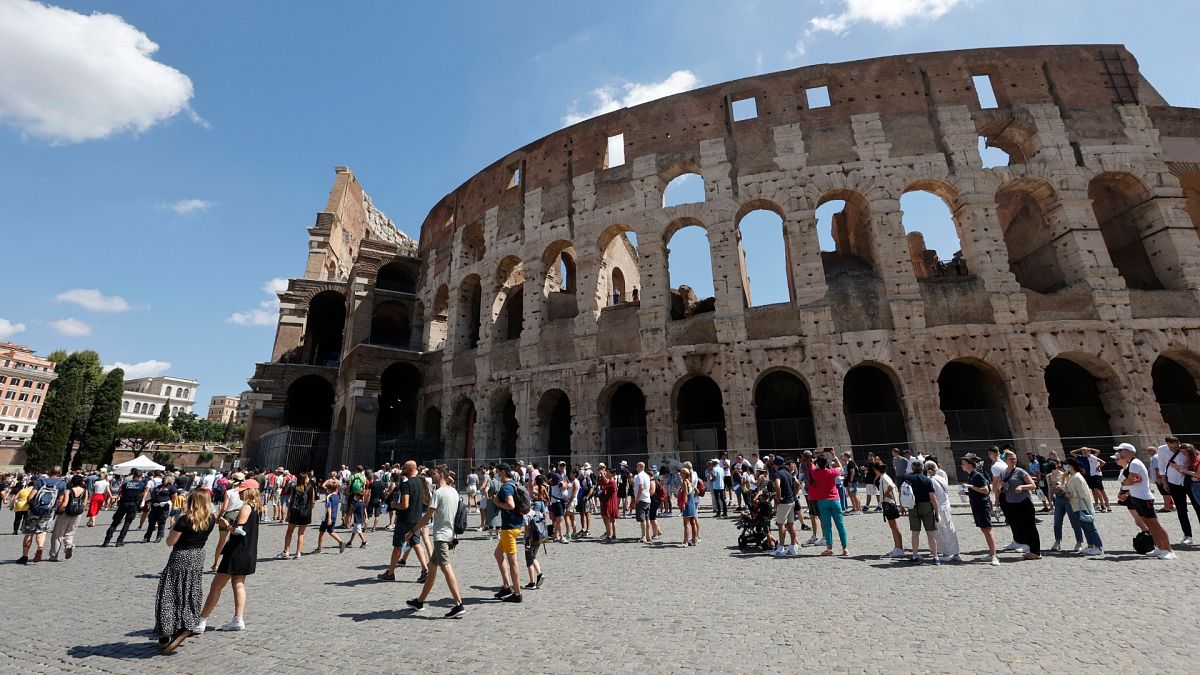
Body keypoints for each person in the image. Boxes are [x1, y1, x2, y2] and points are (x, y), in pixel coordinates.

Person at [194, 480, 262, 633]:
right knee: (238, 584)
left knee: (216, 586)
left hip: (236, 551)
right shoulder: (257, 507)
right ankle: (238, 619)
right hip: (248, 550)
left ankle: (202, 620)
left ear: (249, 491)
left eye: (243, 490)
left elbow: (239, 531)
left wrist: (226, 525)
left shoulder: (246, 506)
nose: (241, 493)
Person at [155, 489, 217, 654]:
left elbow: (170, 542)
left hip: (181, 555)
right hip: (198, 555)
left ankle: (166, 630)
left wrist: (175, 525)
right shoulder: (211, 518)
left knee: (170, 591)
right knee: (190, 589)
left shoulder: (185, 520)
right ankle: (186, 623)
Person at [405, 466, 466, 618]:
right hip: (449, 533)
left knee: (446, 568)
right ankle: (420, 601)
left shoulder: (438, 493)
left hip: (441, 536)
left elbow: (428, 517)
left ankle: (458, 604)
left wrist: (413, 530)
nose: (432, 476)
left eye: (434, 474)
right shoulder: (454, 491)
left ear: (441, 475)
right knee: (432, 568)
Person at [1115, 443, 1175, 559]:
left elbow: (1131, 481)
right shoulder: (1131, 464)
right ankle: (1160, 548)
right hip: (1137, 496)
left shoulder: (1135, 463)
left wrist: (1126, 482)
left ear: (1129, 452)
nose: (1120, 453)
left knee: (1155, 524)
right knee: (1149, 525)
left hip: (1144, 497)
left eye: (1121, 450)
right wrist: (1127, 481)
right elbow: (1130, 481)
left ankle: (1169, 550)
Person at [1156, 436, 1198, 546]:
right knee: (1181, 510)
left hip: (1188, 481)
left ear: (1178, 443)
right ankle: (1187, 536)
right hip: (1173, 482)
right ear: (1167, 445)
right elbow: (1161, 466)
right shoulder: (1161, 449)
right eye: (1171, 448)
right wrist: (1164, 482)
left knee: (1198, 507)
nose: (1174, 450)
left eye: (1176, 447)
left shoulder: (1185, 449)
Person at [19, 468, 67, 564]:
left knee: (29, 533)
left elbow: (30, 497)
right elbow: (60, 500)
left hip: (34, 511)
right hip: (48, 512)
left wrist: (32, 503)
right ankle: (40, 548)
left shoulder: (41, 481)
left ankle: (24, 556)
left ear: (50, 472)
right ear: (59, 474)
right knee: (41, 531)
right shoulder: (62, 484)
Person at [1000, 450, 1041, 560]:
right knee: (1020, 527)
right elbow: (1001, 487)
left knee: (1030, 527)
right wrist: (1004, 485)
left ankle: (1036, 552)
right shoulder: (1003, 473)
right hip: (1011, 503)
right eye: (1011, 459)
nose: (1013, 460)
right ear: (1006, 460)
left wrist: (1022, 487)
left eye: (1015, 458)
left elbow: (1033, 486)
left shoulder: (1020, 472)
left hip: (1024, 502)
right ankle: (1029, 549)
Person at [492, 463, 525, 602]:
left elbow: (511, 505)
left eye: (499, 472)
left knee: (513, 562)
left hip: (509, 529)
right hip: (516, 525)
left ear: (504, 472)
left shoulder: (505, 487)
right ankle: (506, 586)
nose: (497, 474)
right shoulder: (514, 484)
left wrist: (497, 503)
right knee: (498, 554)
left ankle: (517, 594)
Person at [960, 454, 999, 565]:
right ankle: (991, 553)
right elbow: (977, 490)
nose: (962, 466)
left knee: (987, 530)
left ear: (969, 464)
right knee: (984, 530)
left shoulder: (977, 475)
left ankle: (994, 556)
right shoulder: (971, 475)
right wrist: (966, 492)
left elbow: (986, 490)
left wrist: (971, 487)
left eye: (963, 464)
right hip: (976, 505)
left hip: (982, 506)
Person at [808, 452, 848, 556]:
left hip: (822, 501)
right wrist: (834, 455)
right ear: (826, 464)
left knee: (827, 526)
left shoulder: (815, 472)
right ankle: (845, 549)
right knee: (840, 525)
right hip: (835, 500)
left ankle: (829, 548)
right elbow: (840, 467)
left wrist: (816, 455)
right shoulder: (832, 472)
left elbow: (811, 463)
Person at [1063, 458, 1103, 555]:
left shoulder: (1077, 477)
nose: (1064, 467)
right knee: (1084, 527)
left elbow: (1082, 493)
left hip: (1082, 505)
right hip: (1076, 505)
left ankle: (1098, 547)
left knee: (1090, 527)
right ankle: (1090, 545)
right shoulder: (1072, 477)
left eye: (1066, 465)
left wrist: (1071, 495)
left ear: (1071, 466)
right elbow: (1065, 489)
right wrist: (1062, 479)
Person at [902, 461, 940, 564]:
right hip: (926, 506)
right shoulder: (927, 479)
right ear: (923, 468)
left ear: (913, 468)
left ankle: (914, 556)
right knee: (930, 533)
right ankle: (935, 557)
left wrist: (902, 505)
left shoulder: (907, 477)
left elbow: (903, 492)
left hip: (913, 506)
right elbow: (933, 497)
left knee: (915, 533)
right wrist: (937, 512)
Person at [104, 468, 148, 547]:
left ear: (133, 476)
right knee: (127, 523)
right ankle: (119, 541)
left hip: (123, 504)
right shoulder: (142, 485)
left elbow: (121, 494)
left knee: (115, 522)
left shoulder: (126, 484)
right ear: (140, 476)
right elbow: (142, 495)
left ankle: (106, 541)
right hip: (133, 505)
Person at [926, 460, 961, 562]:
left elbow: (934, 497)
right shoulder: (941, 478)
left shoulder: (931, 480)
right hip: (946, 506)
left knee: (943, 531)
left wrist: (936, 512)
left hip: (940, 508)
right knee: (950, 530)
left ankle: (946, 553)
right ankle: (955, 552)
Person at [48, 474, 87, 562]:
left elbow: (64, 504)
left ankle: (53, 556)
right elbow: (84, 504)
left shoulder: (68, 491)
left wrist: (58, 511)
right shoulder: (85, 491)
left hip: (65, 514)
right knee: (70, 533)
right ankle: (69, 545)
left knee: (57, 535)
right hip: (77, 515)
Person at [1047, 458, 1081, 553]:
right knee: (1057, 522)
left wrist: (1061, 485)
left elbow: (1069, 487)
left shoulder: (1065, 474)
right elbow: (1050, 490)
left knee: (1074, 521)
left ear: (1058, 465)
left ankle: (1079, 542)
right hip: (1057, 499)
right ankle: (1057, 541)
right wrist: (1050, 502)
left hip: (1067, 498)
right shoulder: (1048, 476)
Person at [873, 463, 905, 557]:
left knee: (894, 527)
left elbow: (891, 486)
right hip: (887, 503)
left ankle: (899, 548)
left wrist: (887, 493)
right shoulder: (883, 476)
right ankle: (897, 547)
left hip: (889, 503)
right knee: (893, 527)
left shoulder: (884, 477)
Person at [280, 472, 315, 559]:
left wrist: (288, 514)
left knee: (289, 532)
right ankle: (298, 553)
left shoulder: (295, 488)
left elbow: (291, 502)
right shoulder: (311, 488)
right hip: (306, 513)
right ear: (305, 479)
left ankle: (286, 551)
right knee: (301, 533)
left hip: (295, 512)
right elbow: (313, 502)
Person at [314, 478, 345, 553]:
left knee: (321, 532)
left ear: (329, 489)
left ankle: (319, 548)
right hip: (334, 515)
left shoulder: (329, 497)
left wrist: (329, 518)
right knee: (331, 531)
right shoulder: (337, 496)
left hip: (328, 516)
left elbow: (329, 508)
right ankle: (341, 541)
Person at [145, 475, 177, 544]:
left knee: (161, 522)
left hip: (163, 507)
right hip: (154, 506)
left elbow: (174, 498)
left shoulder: (172, 487)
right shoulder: (158, 487)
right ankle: (147, 536)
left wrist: (170, 504)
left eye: (164, 478)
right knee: (151, 522)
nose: (163, 480)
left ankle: (159, 536)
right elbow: (153, 494)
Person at [633, 461, 652, 543]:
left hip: (642, 498)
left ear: (640, 467)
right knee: (647, 518)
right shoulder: (647, 476)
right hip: (647, 498)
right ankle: (648, 536)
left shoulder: (639, 476)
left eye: (637, 466)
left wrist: (637, 498)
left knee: (642, 519)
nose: (636, 468)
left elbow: (641, 487)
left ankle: (643, 536)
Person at [680, 467, 699, 547]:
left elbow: (685, 493)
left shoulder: (684, 482)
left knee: (686, 524)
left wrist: (684, 504)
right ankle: (694, 540)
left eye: (682, 473)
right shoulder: (690, 482)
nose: (681, 474)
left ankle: (686, 541)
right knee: (693, 523)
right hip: (692, 504)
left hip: (687, 504)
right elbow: (697, 492)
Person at [600, 466, 619, 542]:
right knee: (612, 520)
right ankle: (613, 535)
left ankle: (609, 535)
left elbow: (606, 483)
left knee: (608, 519)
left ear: (611, 474)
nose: (606, 474)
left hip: (609, 501)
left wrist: (603, 474)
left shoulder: (611, 481)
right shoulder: (612, 480)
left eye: (608, 473)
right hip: (611, 501)